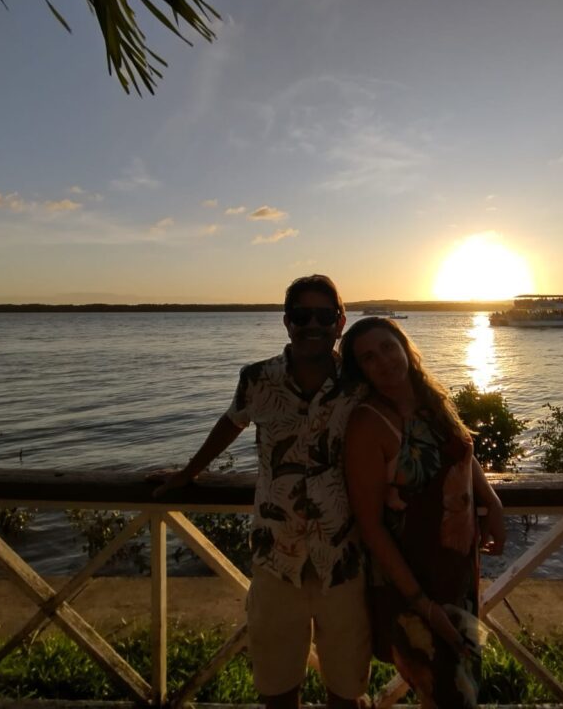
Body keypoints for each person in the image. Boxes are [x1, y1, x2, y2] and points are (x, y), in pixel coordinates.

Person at [151, 274, 371, 709]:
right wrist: (188, 472)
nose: (313, 324)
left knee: (347, 691)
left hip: (343, 558)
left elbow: (413, 419)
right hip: (276, 558)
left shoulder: (359, 381)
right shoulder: (258, 379)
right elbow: (232, 421)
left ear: (340, 321)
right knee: (276, 688)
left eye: (324, 315)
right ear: (286, 322)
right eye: (302, 315)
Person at [341, 316, 506, 709]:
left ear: (404, 348)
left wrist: (493, 501)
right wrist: (422, 604)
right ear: (359, 370)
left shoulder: (432, 400)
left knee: (456, 683)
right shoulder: (369, 423)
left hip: (455, 567)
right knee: (448, 691)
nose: (382, 361)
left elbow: (460, 451)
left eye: (387, 347)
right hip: (412, 576)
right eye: (368, 357)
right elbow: (371, 525)